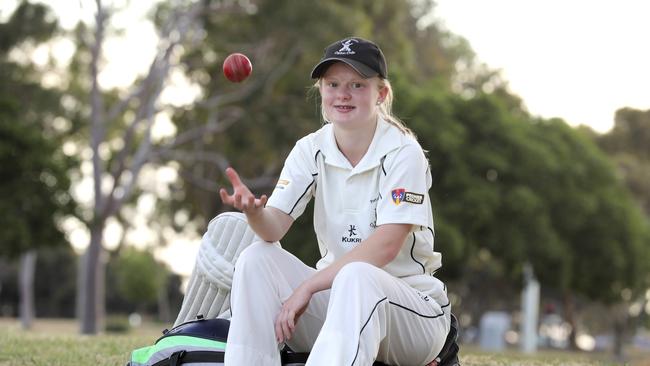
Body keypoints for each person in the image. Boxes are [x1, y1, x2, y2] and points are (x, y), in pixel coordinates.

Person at [220, 37, 451, 366]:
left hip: (414, 314)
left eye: (357, 84)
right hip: (337, 306)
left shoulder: (403, 151)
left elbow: (385, 247)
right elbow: (272, 230)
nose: (343, 94)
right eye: (333, 84)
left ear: (381, 94)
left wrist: (307, 288)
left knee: (357, 275)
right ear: (322, 90)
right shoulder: (309, 149)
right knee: (256, 257)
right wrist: (254, 213)